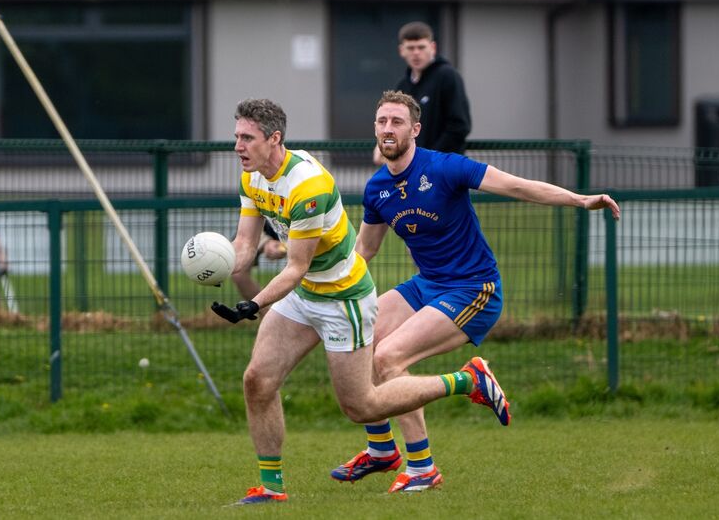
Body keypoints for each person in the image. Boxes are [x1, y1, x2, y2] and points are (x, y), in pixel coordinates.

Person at [211, 98, 510, 505]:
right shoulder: (252, 178)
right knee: (257, 381)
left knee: (362, 406)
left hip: (340, 298)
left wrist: (253, 303)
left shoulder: (307, 185)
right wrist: (222, 265)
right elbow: (246, 244)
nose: (238, 146)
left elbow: (296, 267)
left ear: (273, 138)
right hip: (303, 294)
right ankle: (271, 488)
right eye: (236, 137)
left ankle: (465, 381)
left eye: (246, 138)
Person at [331, 90, 621, 492]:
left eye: (397, 122)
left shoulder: (447, 168)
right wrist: (328, 285)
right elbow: (365, 250)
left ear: (415, 129)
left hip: (474, 288)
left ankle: (422, 469)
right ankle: (381, 450)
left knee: (389, 358)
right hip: (428, 284)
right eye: (382, 121)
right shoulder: (378, 187)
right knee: (362, 337)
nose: (387, 129)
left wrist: (580, 199)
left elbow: (517, 186)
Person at [373, 21, 471, 165]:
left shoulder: (448, 76)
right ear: (402, 50)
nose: (416, 53)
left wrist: (428, 159)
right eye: (411, 48)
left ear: (433, 47)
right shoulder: (403, 85)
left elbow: (459, 127)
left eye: (421, 47)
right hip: (412, 169)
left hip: (445, 168)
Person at [230, 222, 286, 302]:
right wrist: (265, 242)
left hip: (299, 231)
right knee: (238, 271)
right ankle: (264, 311)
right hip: (265, 226)